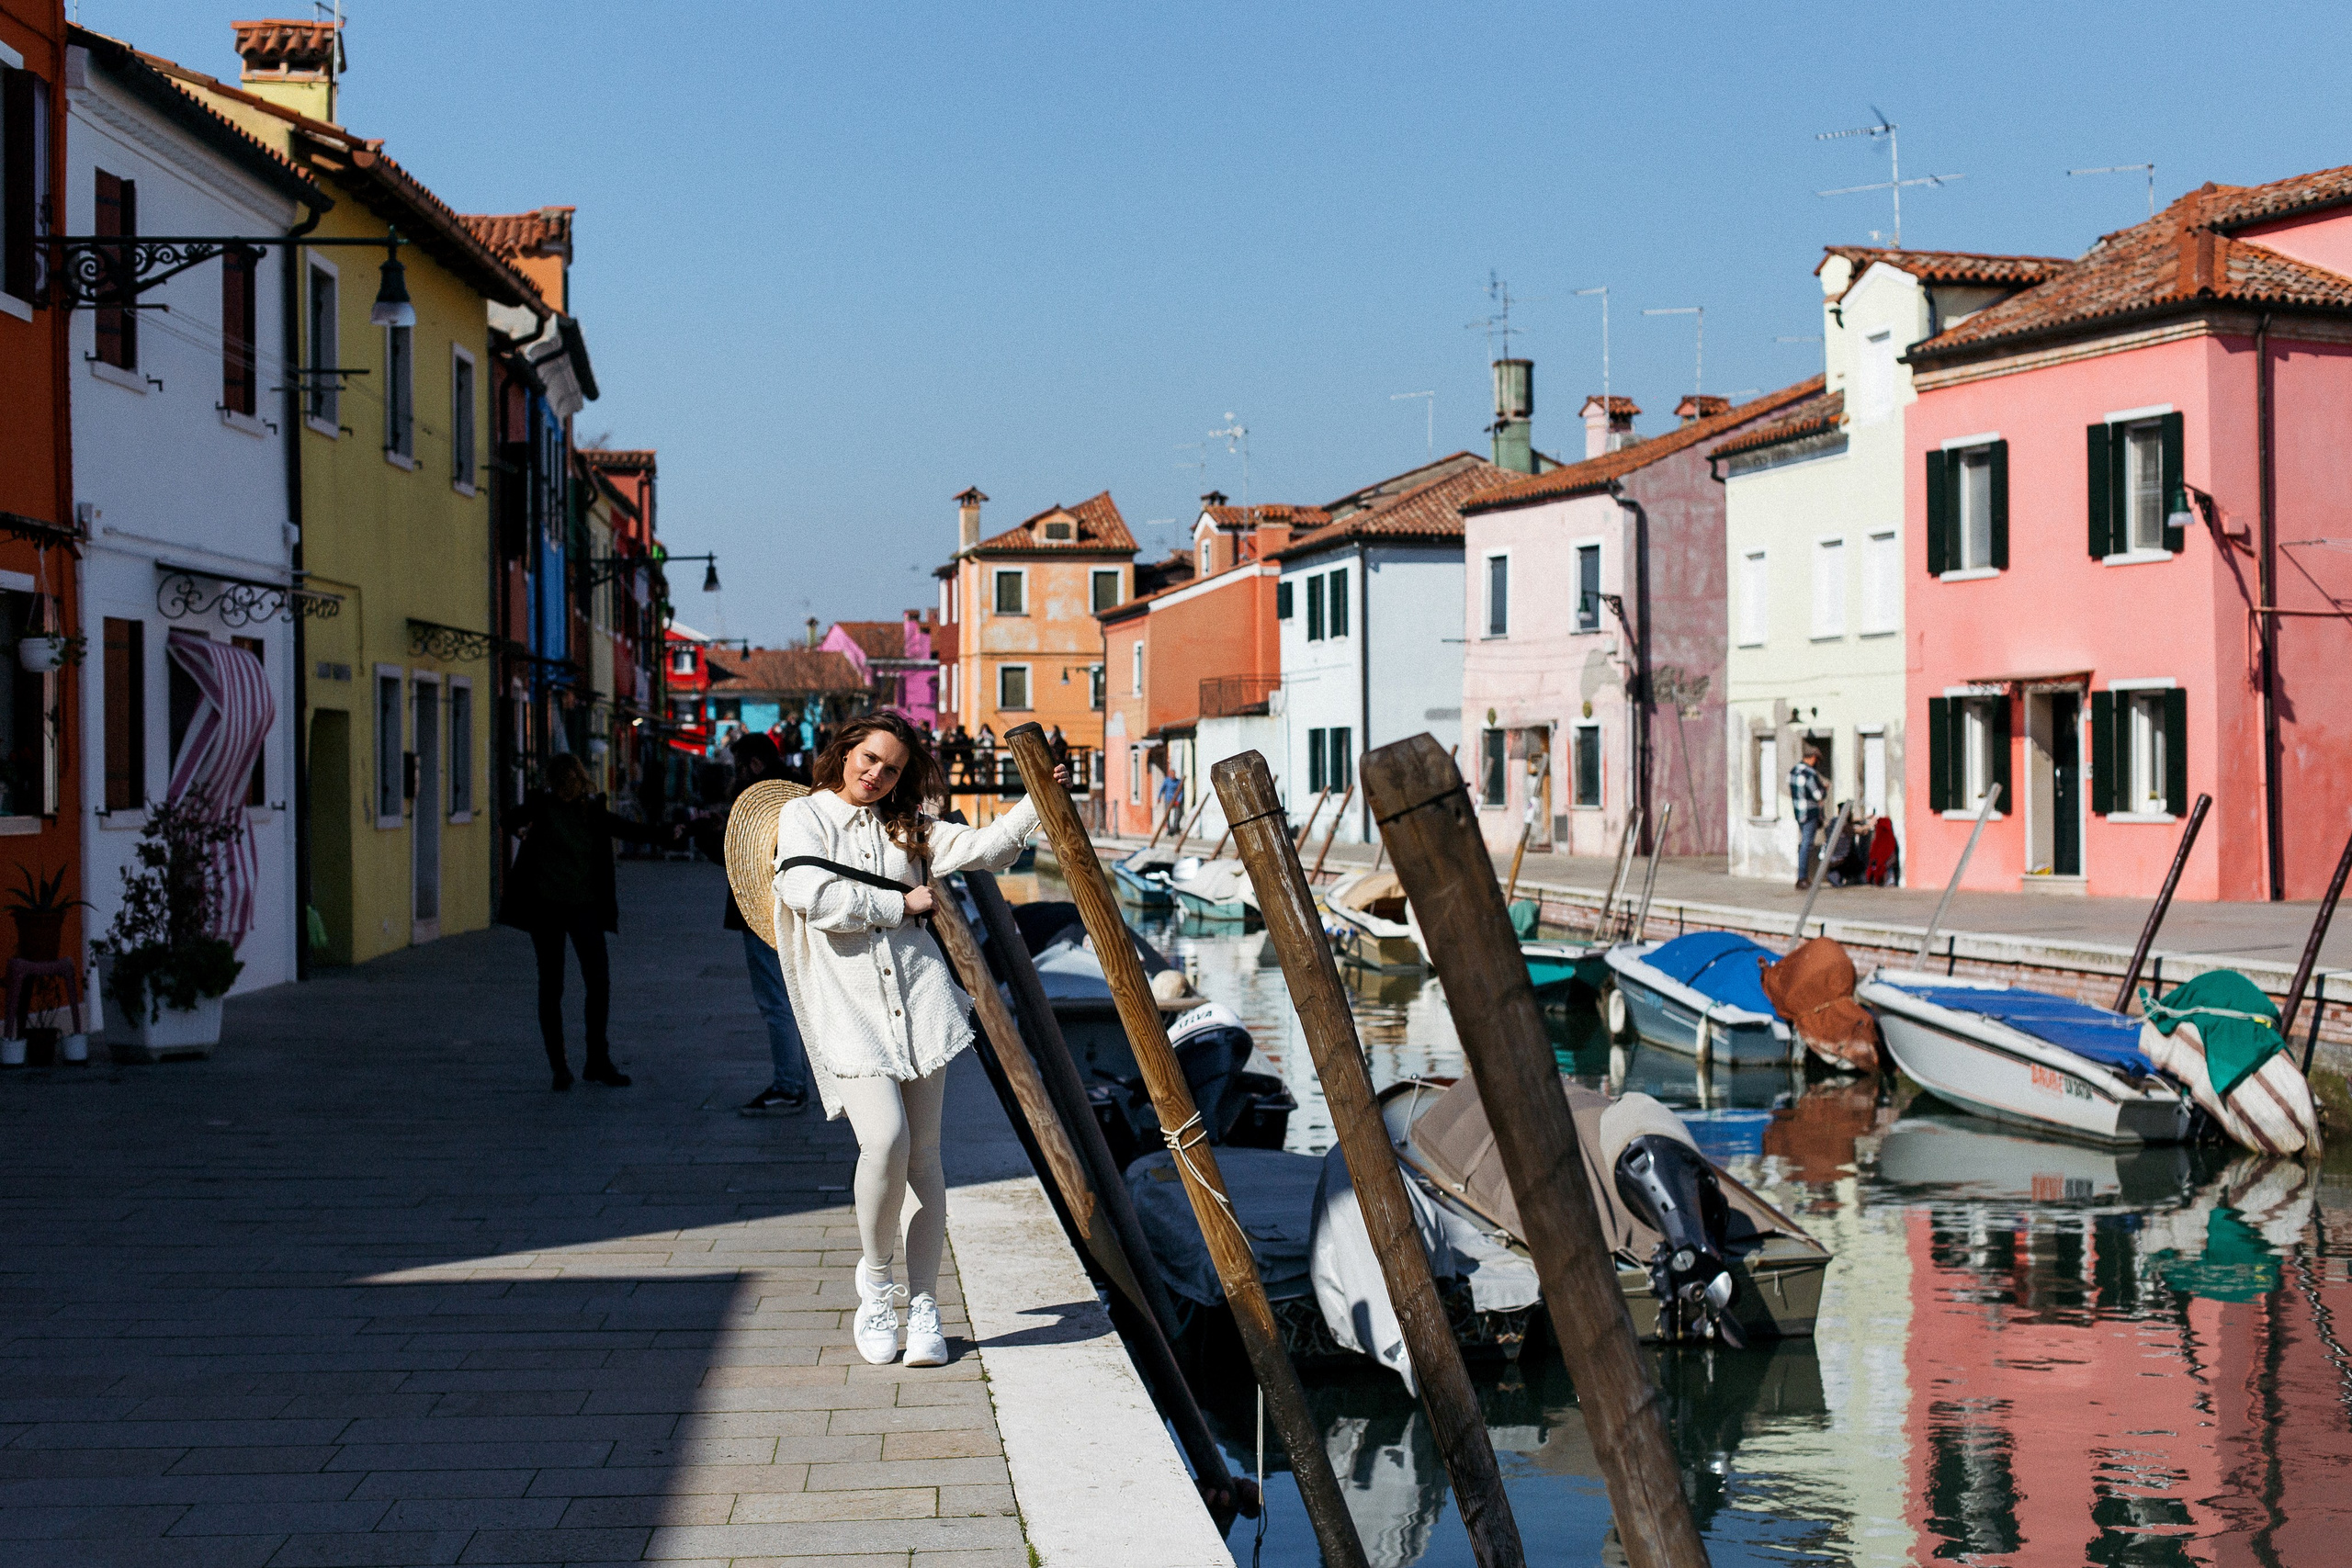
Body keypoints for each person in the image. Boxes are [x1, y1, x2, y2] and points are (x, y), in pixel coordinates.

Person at [768, 713, 1061, 1367]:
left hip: (921, 1003)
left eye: (892, 768)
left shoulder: (910, 825)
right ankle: (876, 1281)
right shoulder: (803, 816)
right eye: (869, 758)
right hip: (847, 1009)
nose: (876, 774)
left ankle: (925, 1301)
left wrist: (1037, 800)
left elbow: (986, 847)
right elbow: (809, 893)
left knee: (925, 1155)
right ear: (845, 751)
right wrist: (900, 906)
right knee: (886, 1140)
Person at [503, 752, 673, 1090]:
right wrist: (671, 834)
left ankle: (565, 1067)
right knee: (594, 984)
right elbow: (632, 831)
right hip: (573, 909)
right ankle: (592, 1061)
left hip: (559, 909)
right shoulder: (571, 808)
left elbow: (508, 819)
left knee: (555, 986)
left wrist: (522, 833)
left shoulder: (564, 809)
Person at [687, 735, 811, 1115]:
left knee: (776, 1001)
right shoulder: (798, 795)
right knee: (794, 999)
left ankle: (789, 1087)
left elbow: (740, 859)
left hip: (763, 911)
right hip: (797, 908)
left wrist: (706, 833)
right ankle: (798, 1081)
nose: (736, 774)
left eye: (740, 766)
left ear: (754, 764)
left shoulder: (757, 801)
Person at [1789, 745, 1827, 890]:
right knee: (1806, 845)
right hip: (1810, 813)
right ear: (1813, 758)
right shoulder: (1810, 773)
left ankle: (1803, 876)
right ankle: (1802, 877)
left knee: (1804, 844)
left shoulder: (1794, 771)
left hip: (1799, 813)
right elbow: (1818, 795)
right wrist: (1824, 789)